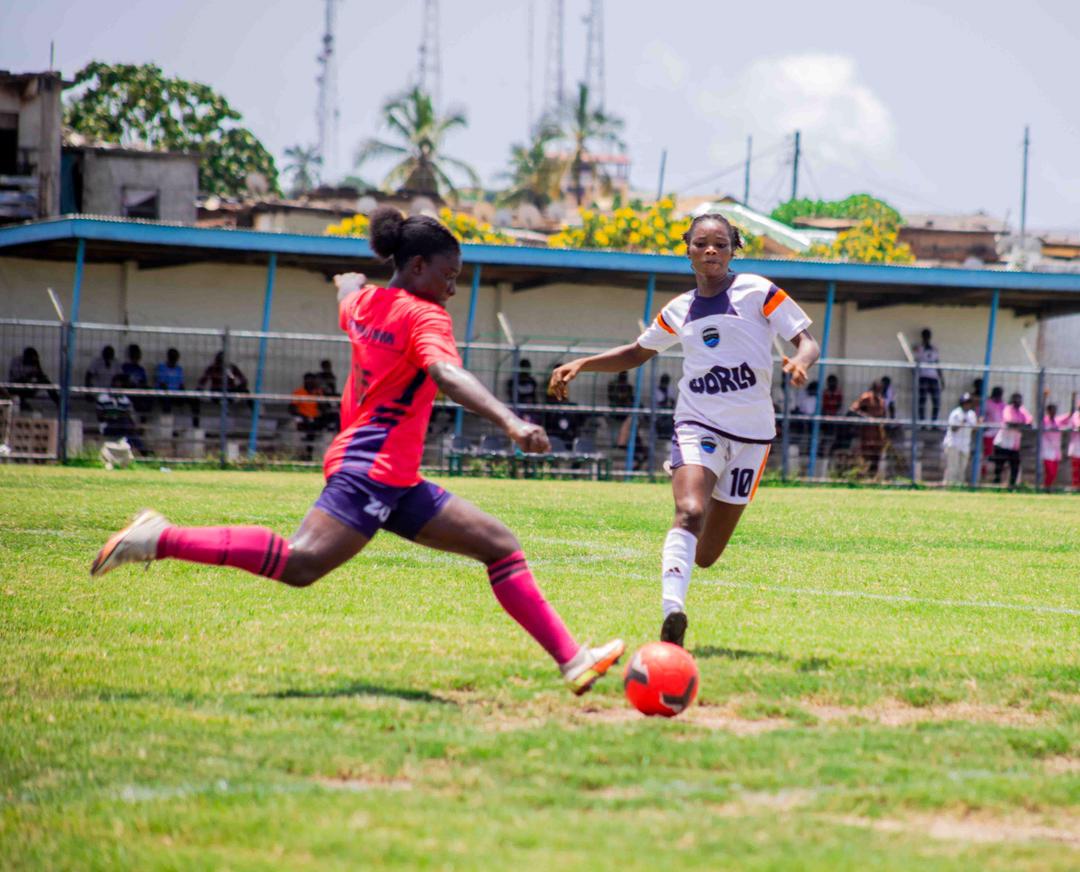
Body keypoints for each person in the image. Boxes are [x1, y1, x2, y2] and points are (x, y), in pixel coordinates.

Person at [90, 206, 623, 696]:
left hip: (392, 475)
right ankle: (159, 538)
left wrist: (348, 282)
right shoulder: (424, 316)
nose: (453, 289)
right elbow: (445, 371)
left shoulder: (366, 303)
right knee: (300, 563)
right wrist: (510, 420)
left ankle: (572, 660)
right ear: (417, 266)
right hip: (373, 468)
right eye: (450, 276)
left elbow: (348, 297)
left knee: (500, 545)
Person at [549, 212, 819, 648]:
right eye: (700, 243)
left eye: (720, 244)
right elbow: (638, 353)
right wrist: (583, 362)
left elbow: (807, 340)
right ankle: (672, 611)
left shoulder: (758, 291)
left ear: (734, 249)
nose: (710, 250)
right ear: (688, 249)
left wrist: (801, 361)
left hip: (753, 437)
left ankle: (682, 580)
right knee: (690, 511)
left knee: (707, 555)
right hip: (698, 422)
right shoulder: (678, 310)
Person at [95, 373, 145, 453]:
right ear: (112, 384)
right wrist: (114, 416)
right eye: (115, 385)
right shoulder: (103, 397)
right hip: (107, 425)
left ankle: (141, 450)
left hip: (122, 425)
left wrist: (115, 415)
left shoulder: (125, 399)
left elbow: (127, 414)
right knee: (127, 427)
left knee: (127, 426)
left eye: (119, 386)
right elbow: (100, 415)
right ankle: (142, 450)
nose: (117, 388)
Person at [991, 392, 1032, 488]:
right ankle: (996, 484)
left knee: (1015, 466)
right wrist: (1022, 425)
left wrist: (1020, 425)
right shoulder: (1008, 409)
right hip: (1003, 443)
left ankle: (1012, 486)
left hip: (1014, 445)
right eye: (1016, 399)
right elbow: (1009, 423)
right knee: (999, 466)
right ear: (1012, 400)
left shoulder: (1022, 410)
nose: (1018, 402)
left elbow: (1029, 422)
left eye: (1019, 399)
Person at [849, 381, 888, 476]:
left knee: (876, 457)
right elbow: (853, 409)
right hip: (866, 432)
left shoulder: (881, 400)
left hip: (878, 434)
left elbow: (884, 416)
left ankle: (873, 478)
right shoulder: (866, 397)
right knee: (864, 455)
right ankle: (860, 476)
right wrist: (866, 417)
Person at [942, 393, 978, 485]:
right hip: (953, 443)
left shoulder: (972, 414)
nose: (967, 405)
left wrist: (978, 424)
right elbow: (953, 429)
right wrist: (962, 422)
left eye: (969, 403)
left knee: (962, 468)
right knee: (952, 467)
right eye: (966, 403)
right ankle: (949, 485)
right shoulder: (956, 413)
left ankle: (959, 485)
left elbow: (974, 429)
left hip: (965, 444)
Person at [914, 328, 944, 424]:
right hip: (923, 377)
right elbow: (915, 359)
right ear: (922, 337)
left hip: (934, 378)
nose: (927, 337)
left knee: (936, 401)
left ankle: (934, 423)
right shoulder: (919, 348)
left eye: (928, 335)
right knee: (922, 401)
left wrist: (941, 378)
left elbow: (937, 363)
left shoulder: (934, 349)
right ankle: (922, 423)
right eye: (925, 335)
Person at [1040, 402, 1069, 490]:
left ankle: (1048, 487)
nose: (1053, 412)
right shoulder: (1044, 420)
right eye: (1051, 410)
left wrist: (1073, 399)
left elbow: (1069, 415)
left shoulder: (1058, 421)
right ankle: (1046, 487)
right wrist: (1044, 398)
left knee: (1054, 473)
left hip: (1056, 450)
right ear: (1048, 411)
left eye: (1054, 410)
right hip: (1047, 450)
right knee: (1050, 472)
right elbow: (1040, 415)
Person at [980, 386, 1006, 477]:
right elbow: (981, 415)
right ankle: (984, 473)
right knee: (987, 454)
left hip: (1000, 434)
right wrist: (984, 425)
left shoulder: (1003, 405)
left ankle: (997, 475)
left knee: (999, 456)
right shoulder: (987, 403)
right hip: (989, 433)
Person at [608, 371, 635, 448]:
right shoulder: (613, 385)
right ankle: (620, 443)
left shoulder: (629, 387)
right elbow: (612, 397)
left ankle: (623, 443)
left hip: (625, 410)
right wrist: (620, 396)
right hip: (615, 410)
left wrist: (624, 397)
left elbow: (631, 398)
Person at [121, 343, 151, 413]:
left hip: (138, 392)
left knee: (149, 392)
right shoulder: (125, 367)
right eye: (135, 355)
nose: (137, 357)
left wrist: (140, 385)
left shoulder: (141, 369)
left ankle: (143, 414)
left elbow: (143, 382)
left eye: (138, 355)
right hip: (128, 391)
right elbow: (122, 381)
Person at [1067, 397, 1080, 490]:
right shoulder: (1076, 415)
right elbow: (1077, 426)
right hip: (1076, 447)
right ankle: (1076, 487)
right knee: (1076, 469)